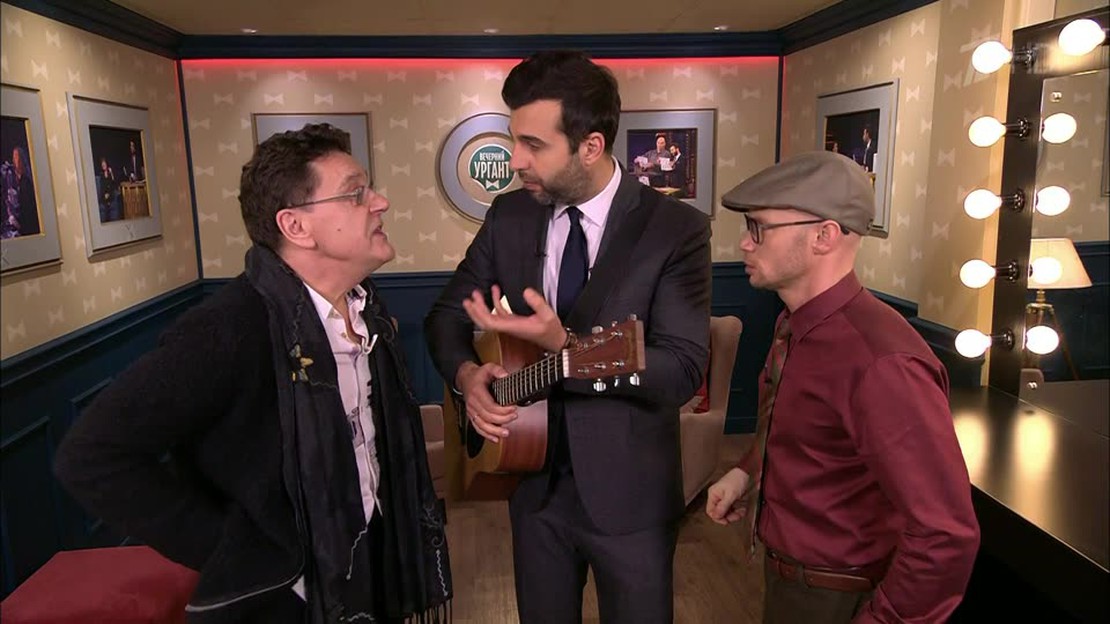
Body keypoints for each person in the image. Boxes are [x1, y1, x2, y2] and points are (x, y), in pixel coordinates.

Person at [55, 123, 452, 624]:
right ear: (296, 226)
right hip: (281, 599)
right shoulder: (228, 328)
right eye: (356, 193)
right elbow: (89, 456)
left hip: (370, 563)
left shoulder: (366, 310)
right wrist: (236, 550)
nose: (380, 202)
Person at [424, 50, 710, 624]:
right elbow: (444, 318)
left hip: (631, 499)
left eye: (533, 145)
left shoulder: (675, 230)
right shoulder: (509, 217)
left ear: (591, 146)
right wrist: (467, 377)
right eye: (514, 140)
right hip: (531, 488)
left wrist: (568, 348)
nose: (515, 160)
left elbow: (681, 371)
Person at [706, 150, 979, 624]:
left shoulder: (881, 362)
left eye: (758, 228)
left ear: (824, 236)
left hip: (838, 598)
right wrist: (746, 473)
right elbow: (803, 435)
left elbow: (945, 534)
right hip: (788, 581)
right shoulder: (793, 326)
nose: (745, 244)